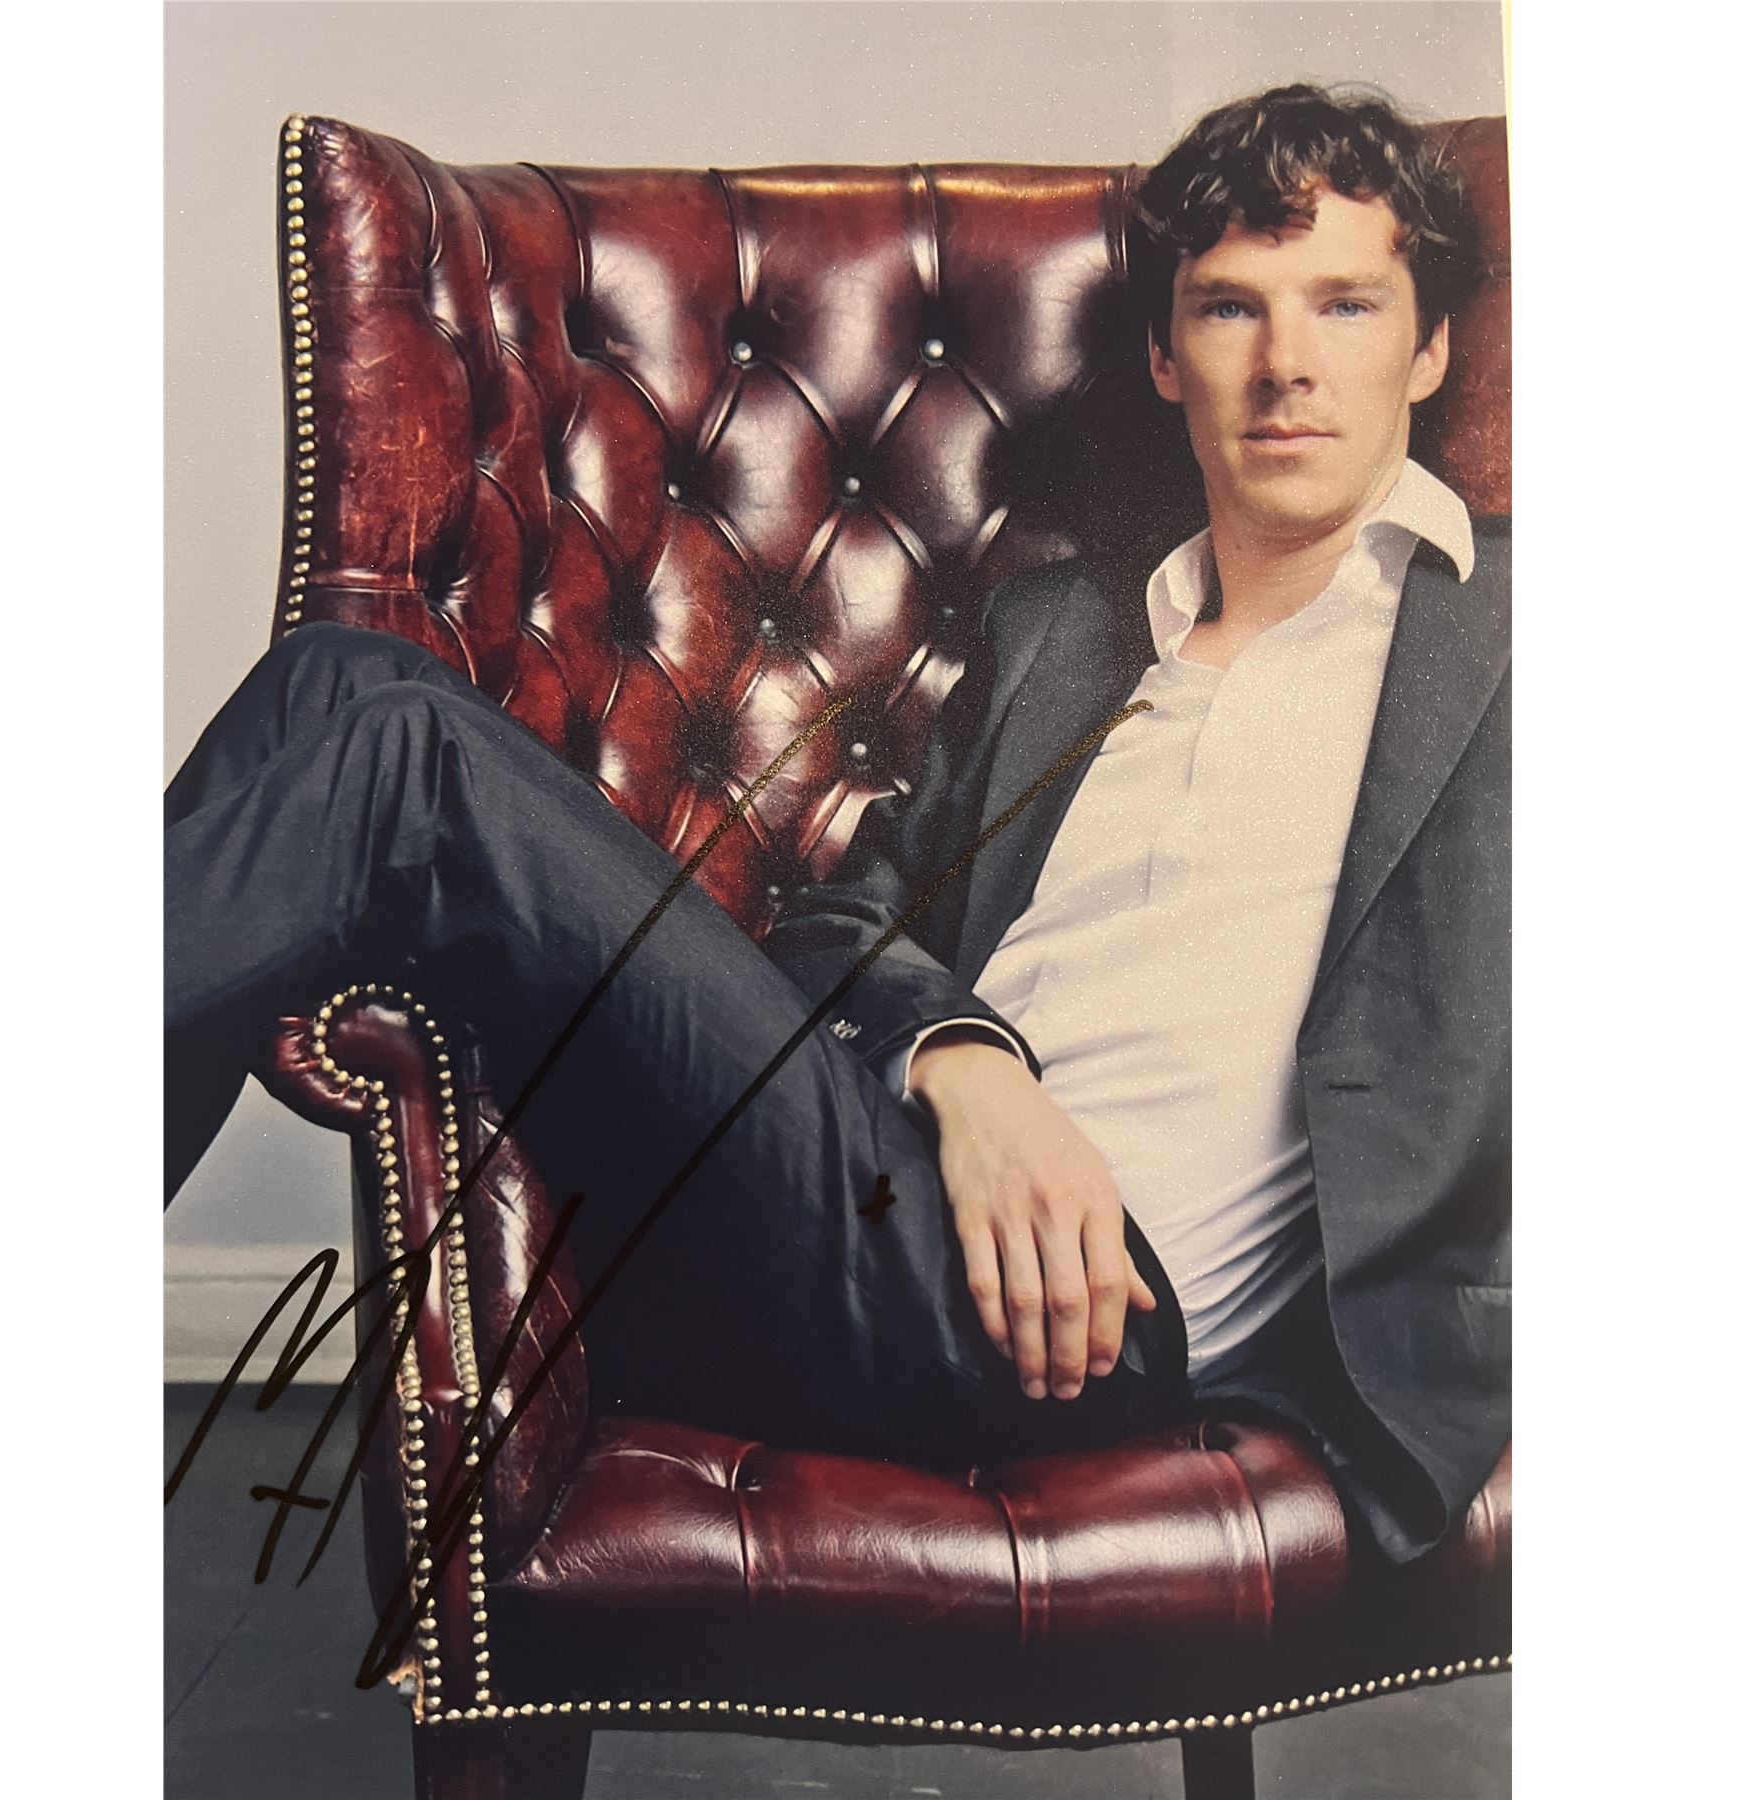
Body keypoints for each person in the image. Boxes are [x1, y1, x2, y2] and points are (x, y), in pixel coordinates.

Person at [165, 83, 1507, 1565]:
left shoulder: (1519, 648)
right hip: (884, 1178)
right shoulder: (1067, 634)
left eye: (1347, 305)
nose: (1287, 364)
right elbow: (840, 924)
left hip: (1065, 1311)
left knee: (405, 753)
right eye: (1230, 308)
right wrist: (971, 1068)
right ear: (1163, 355)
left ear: (1429, 347)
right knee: (334, 677)